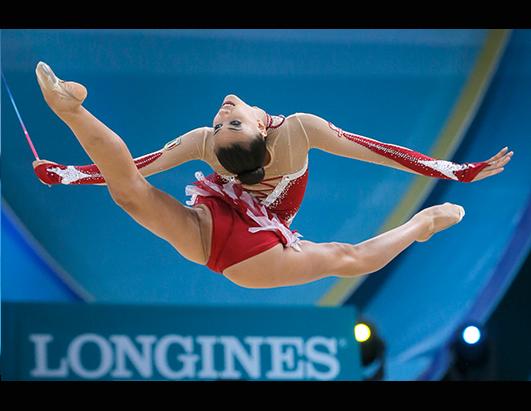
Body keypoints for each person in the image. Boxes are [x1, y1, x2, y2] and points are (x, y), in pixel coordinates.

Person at [32, 62, 513, 289]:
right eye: (224, 124)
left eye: (226, 124)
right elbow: (138, 166)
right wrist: (67, 175)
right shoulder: (208, 141)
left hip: (248, 242)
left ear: (264, 129)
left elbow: (378, 152)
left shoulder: (301, 132)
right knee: (130, 195)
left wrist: (458, 172)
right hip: (244, 244)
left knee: (130, 199)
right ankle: (73, 110)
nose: (221, 116)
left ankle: (418, 227)